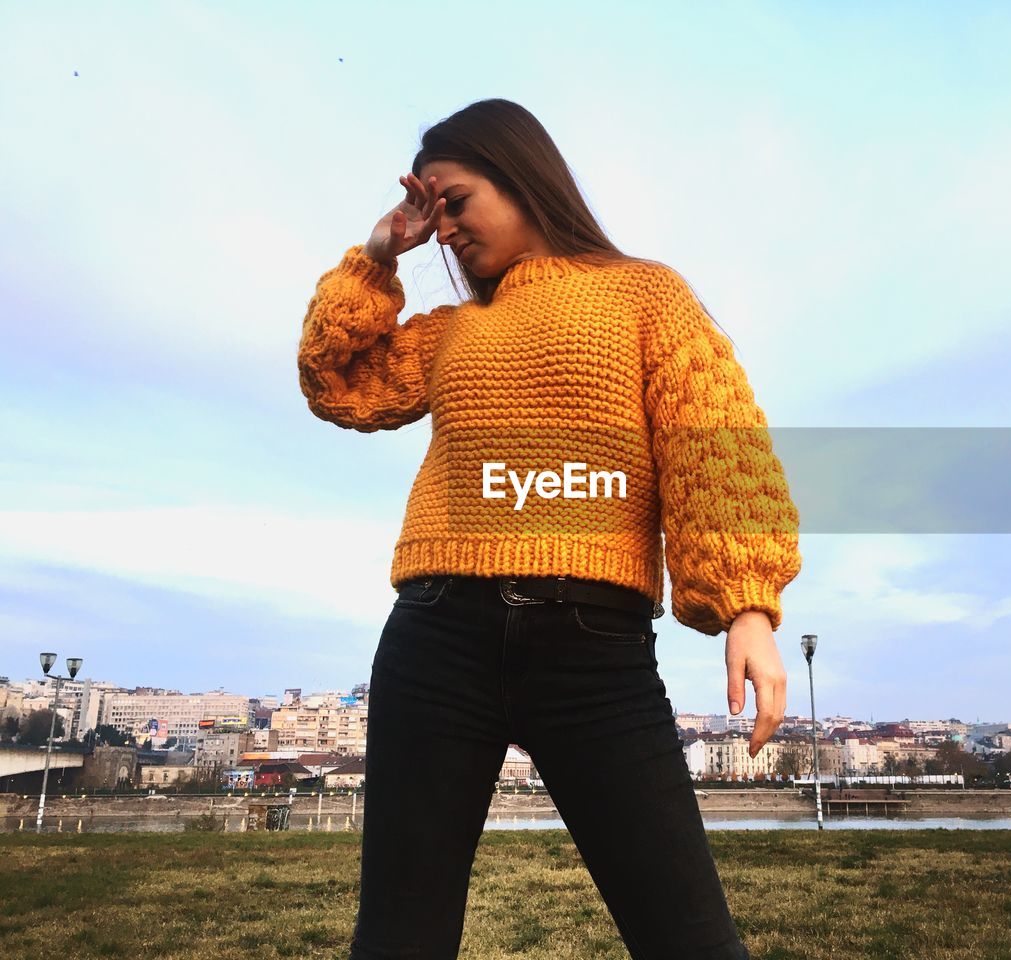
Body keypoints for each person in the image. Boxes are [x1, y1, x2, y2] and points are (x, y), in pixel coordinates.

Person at [297, 98, 802, 960]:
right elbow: (335, 380)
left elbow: (712, 441)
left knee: (689, 938)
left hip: (592, 649)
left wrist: (747, 604)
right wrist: (379, 254)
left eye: (456, 201)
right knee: (397, 937)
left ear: (521, 175)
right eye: (433, 210)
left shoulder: (644, 294)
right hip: (436, 640)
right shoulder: (453, 331)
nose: (445, 228)